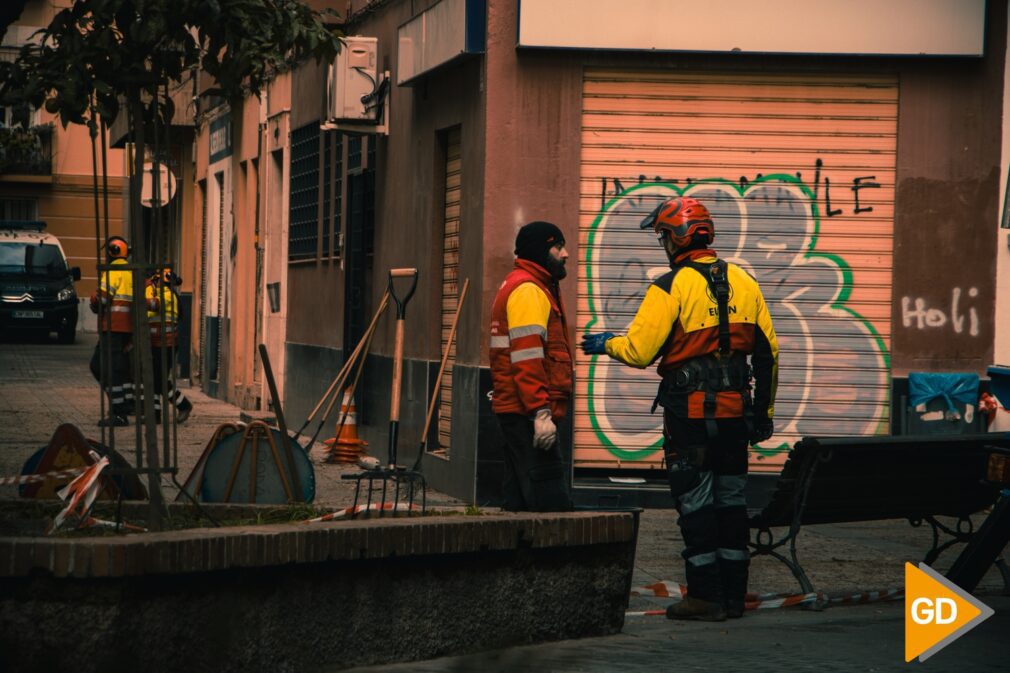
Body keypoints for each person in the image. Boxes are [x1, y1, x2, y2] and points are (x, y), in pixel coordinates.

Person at [580, 196, 779, 621]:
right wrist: (762, 414)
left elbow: (638, 351)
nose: (663, 245)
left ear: (677, 238)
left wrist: (606, 343)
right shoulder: (745, 281)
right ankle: (732, 596)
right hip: (735, 418)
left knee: (696, 503)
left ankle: (705, 597)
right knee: (731, 502)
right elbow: (769, 354)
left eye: (663, 236)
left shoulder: (669, 286)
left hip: (688, 418)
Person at [489, 221, 574, 512]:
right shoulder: (528, 290)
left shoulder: (532, 285)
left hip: (519, 412)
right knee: (549, 507)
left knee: (519, 503)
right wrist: (541, 411)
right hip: (528, 415)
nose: (566, 254)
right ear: (541, 251)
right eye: (558, 246)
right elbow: (527, 358)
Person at [89, 235, 135, 426]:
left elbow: (102, 301)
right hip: (126, 328)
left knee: (105, 369)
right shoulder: (130, 272)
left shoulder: (113, 272)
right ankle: (126, 404)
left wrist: (93, 300)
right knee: (118, 369)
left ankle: (119, 413)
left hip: (113, 327)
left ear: (112, 252)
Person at [146, 268, 193, 423]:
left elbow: (153, 305)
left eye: (155, 281)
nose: (153, 284)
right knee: (154, 378)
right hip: (157, 342)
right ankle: (155, 415)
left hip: (165, 344)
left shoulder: (167, 295)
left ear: (161, 281)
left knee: (159, 380)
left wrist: (136, 300)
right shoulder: (166, 294)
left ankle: (183, 405)